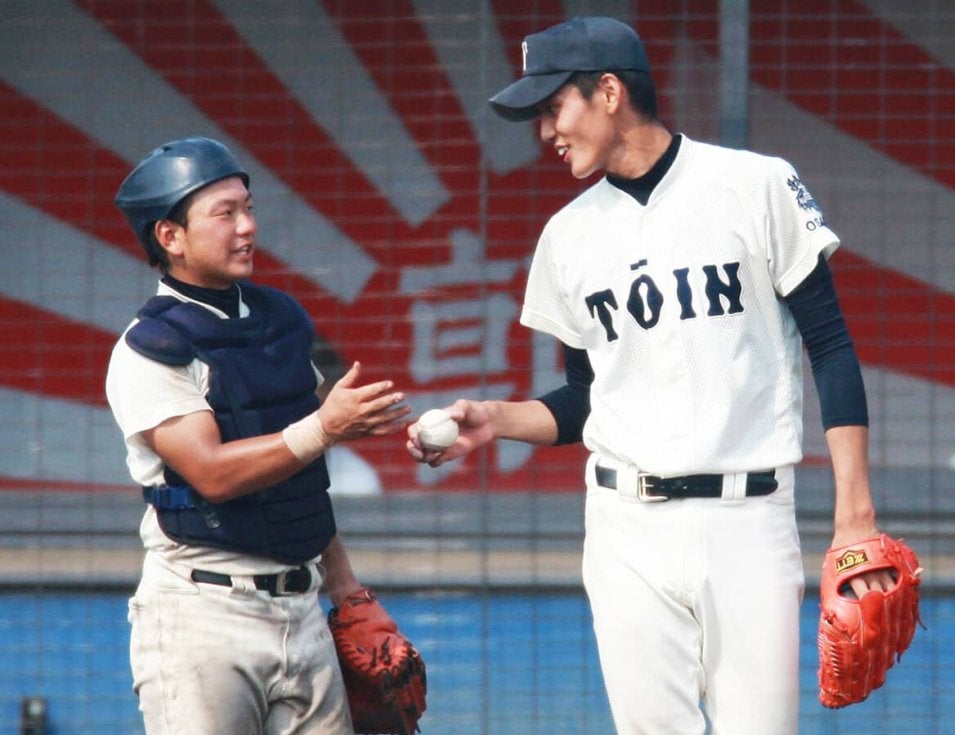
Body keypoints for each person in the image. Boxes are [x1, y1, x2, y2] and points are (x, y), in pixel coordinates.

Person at [406, 17, 896, 735]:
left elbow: (830, 345)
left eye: (553, 107)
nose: (546, 131)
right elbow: (582, 398)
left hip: (748, 516)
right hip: (624, 525)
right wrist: (497, 419)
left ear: (608, 91)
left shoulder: (754, 184)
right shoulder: (567, 236)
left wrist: (855, 512)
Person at [107, 136, 410, 734]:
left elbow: (299, 473)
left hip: (303, 608)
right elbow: (214, 473)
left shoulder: (280, 320)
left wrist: (347, 590)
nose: (247, 227)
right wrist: (325, 426)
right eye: (225, 214)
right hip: (203, 613)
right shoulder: (149, 350)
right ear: (170, 237)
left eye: (249, 208)